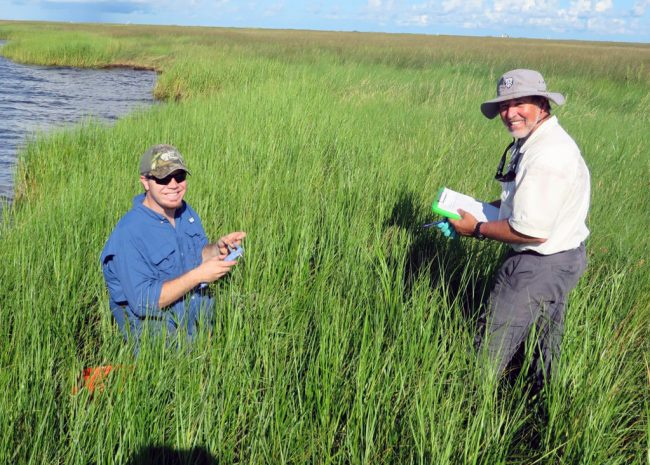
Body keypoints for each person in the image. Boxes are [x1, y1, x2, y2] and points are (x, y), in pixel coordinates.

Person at [447, 69, 590, 387]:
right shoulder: (538, 141)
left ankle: (475, 410)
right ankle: (543, 410)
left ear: (541, 103)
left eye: (520, 103)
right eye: (503, 106)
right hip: (560, 260)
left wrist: (478, 228)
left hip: (538, 264)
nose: (510, 113)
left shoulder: (547, 155)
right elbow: (530, 206)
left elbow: (532, 230)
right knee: (543, 348)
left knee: (489, 349)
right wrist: (484, 210)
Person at [100, 144, 246, 345]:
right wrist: (199, 275)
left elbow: (195, 254)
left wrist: (216, 249)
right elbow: (143, 302)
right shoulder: (128, 233)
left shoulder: (184, 212)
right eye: (163, 178)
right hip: (161, 347)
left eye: (179, 176)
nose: (173, 184)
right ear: (145, 181)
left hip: (199, 329)